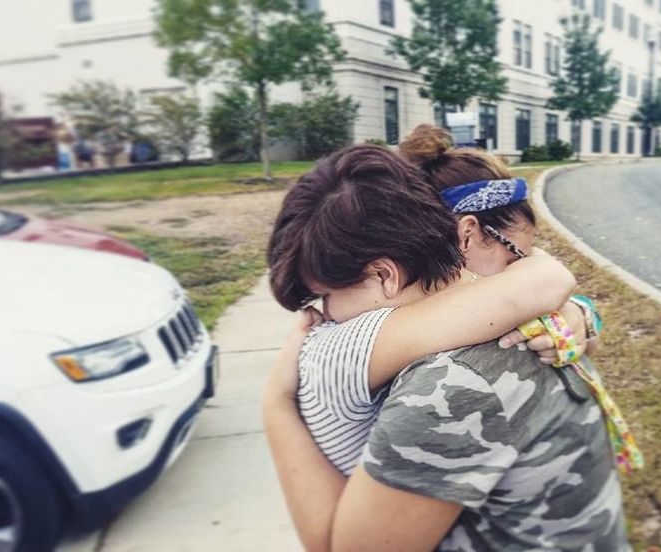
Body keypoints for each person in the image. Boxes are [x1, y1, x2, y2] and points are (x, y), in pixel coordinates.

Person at [264, 144, 628, 550]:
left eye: (326, 296)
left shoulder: (451, 387)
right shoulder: (522, 308)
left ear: (384, 275)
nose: (324, 316)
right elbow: (542, 276)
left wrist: (275, 404)